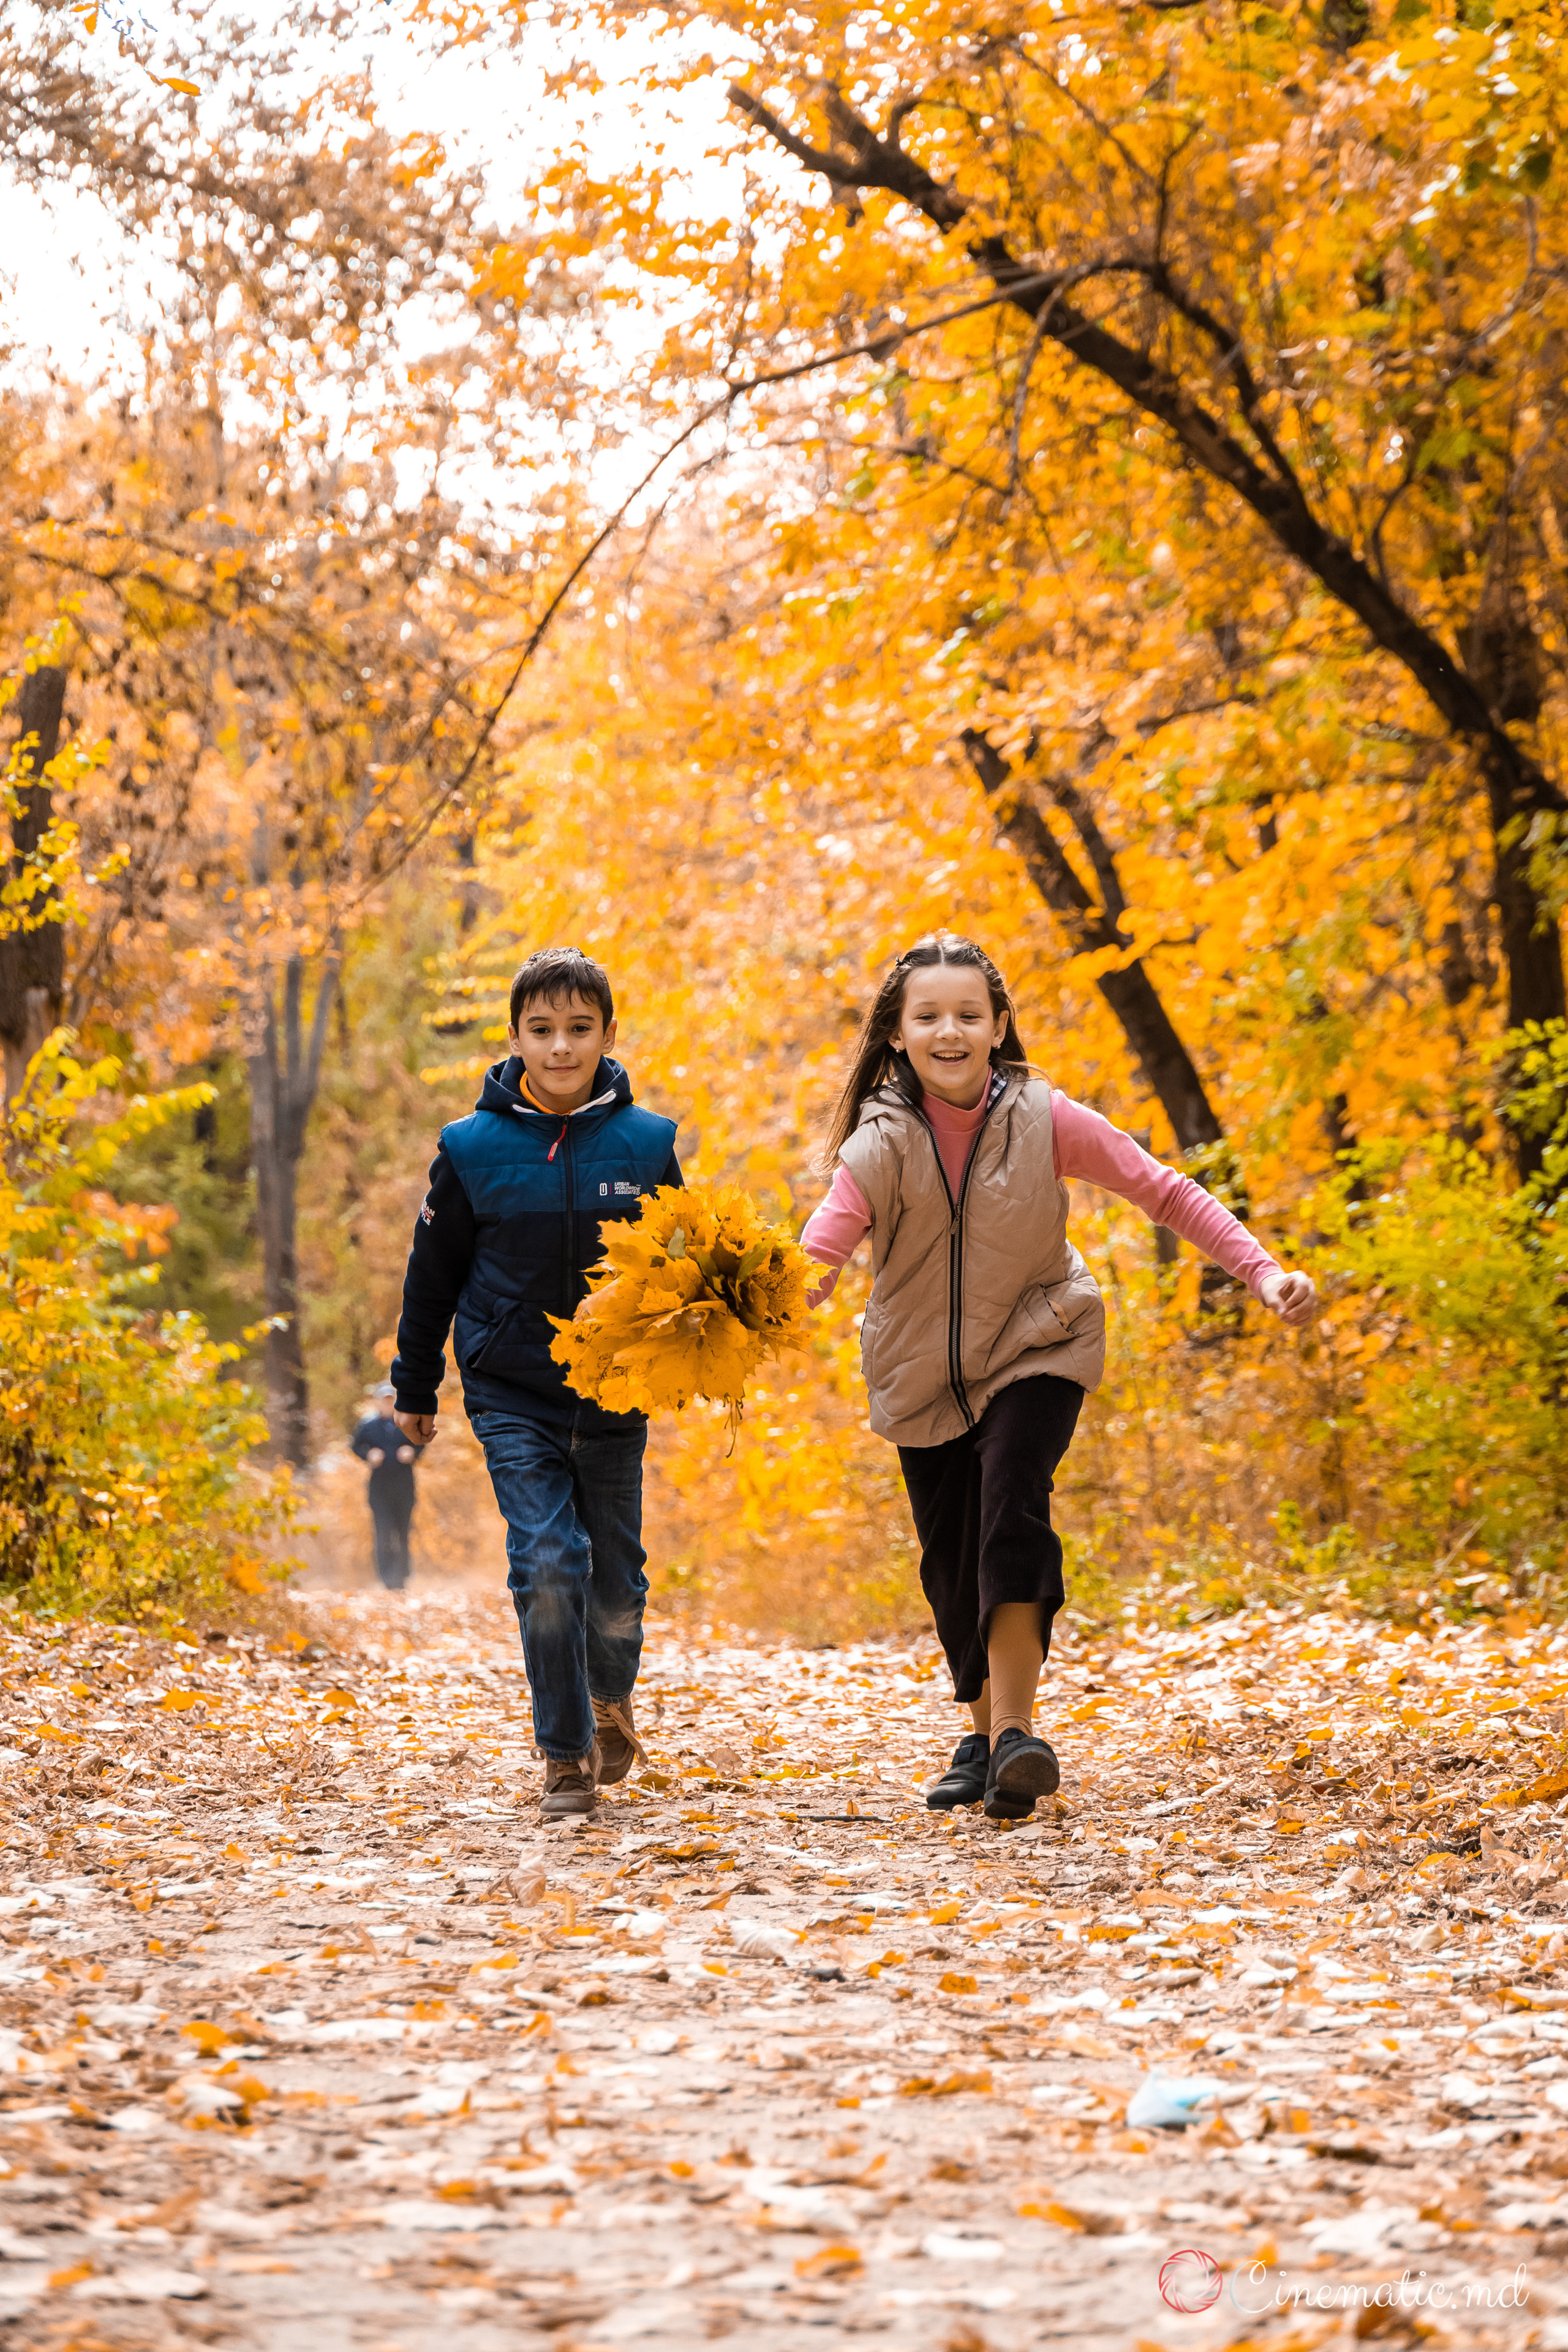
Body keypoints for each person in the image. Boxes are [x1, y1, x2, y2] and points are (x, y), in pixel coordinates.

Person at [801, 932, 1316, 1824]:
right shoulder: (875, 1146)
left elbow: (1164, 1190)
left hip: (1041, 1340)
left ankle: (1013, 1737)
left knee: (1012, 1505)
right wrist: (742, 1315)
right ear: (897, 1033)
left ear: (999, 1025)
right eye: (929, 1016)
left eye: (970, 1013)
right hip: (921, 1373)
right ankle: (985, 1739)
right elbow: (819, 1256)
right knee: (951, 1563)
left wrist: (1262, 1272)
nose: (950, 1030)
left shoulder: (1044, 1117)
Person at [388, 946, 681, 1819]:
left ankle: (606, 1696)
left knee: (618, 1579)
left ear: (607, 1035)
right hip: (511, 1388)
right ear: (514, 1037)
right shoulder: (470, 1148)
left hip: (616, 1389)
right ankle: (563, 1752)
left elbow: (683, 1269)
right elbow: (431, 1274)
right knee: (549, 1558)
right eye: (542, 1030)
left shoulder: (648, 1142)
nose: (561, 1047)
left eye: (579, 1030)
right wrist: (415, 1385)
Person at [351, 1384, 418, 1592]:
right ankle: (387, 1579)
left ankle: (402, 1578)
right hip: (379, 1489)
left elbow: (421, 1442)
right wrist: (368, 1455)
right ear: (379, 1402)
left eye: (392, 1400)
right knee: (383, 1534)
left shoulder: (407, 1424)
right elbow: (355, 1446)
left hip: (404, 1488)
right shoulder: (368, 1425)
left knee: (403, 1533)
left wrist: (413, 1451)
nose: (388, 1403)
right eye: (385, 1400)